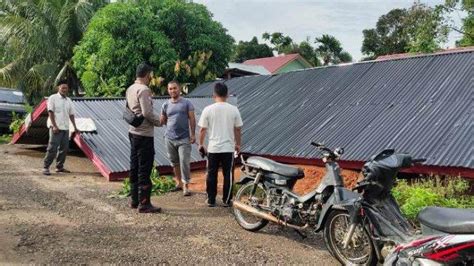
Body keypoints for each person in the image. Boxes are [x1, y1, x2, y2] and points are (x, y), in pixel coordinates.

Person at [198, 82, 242, 207]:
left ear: (214, 95)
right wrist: (238, 144)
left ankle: (211, 200)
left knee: (211, 174)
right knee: (228, 174)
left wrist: (201, 144)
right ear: (227, 95)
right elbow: (238, 129)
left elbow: (202, 130)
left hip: (213, 148)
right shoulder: (234, 110)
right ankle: (227, 200)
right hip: (228, 148)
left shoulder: (208, 109)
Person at [126, 63, 162, 213]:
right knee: (144, 168)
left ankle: (134, 200)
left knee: (134, 165)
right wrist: (159, 121)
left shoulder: (130, 88)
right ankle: (144, 203)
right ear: (148, 74)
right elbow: (147, 113)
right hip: (144, 134)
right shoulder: (144, 90)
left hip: (133, 132)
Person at [160, 81, 196, 197]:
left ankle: (186, 185)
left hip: (184, 138)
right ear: (168, 90)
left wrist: (193, 134)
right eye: (170, 89)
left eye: (174, 88)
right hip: (169, 138)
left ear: (179, 89)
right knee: (174, 162)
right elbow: (163, 119)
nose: (172, 91)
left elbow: (192, 119)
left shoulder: (186, 103)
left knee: (184, 162)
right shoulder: (165, 104)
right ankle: (179, 183)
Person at [43, 80, 79, 176]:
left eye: (66, 88)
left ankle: (59, 167)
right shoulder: (53, 98)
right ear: (58, 88)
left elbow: (71, 114)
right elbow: (50, 112)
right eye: (62, 87)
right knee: (52, 148)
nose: (64, 89)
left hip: (65, 128)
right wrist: (54, 126)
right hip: (56, 127)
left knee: (64, 148)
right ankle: (46, 167)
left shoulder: (69, 101)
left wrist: (75, 127)